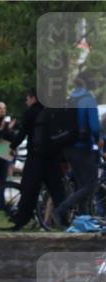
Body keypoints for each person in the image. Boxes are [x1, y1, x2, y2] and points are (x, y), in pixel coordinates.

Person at [9, 89, 66, 229]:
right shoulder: (52, 112)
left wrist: (13, 146)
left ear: (33, 98)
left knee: (29, 189)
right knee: (57, 191)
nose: (26, 101)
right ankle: (64, 220)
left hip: (35, 157)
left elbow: (23, 133)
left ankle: (21, 220)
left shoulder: (30, 113)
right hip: (52, 158)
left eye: (27, 99)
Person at [54, 74, 101, 224]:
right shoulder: (88, 99)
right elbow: (94, 126)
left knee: (82, 187)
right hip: (82, 148)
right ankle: (61, 209)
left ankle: (83, 220)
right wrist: (98, 139)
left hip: (68, 148)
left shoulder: (71, 99)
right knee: (91, 185)